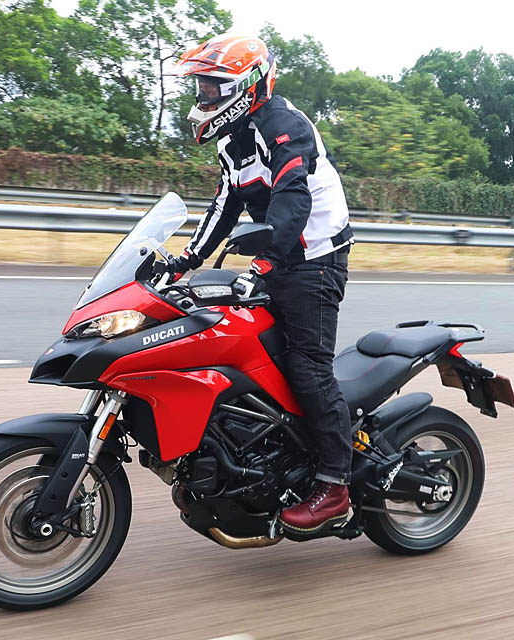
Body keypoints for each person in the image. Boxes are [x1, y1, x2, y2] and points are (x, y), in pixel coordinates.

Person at [170, 33, 354, 534]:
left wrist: (265, 267)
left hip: (315, 260)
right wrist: (182, 260)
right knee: (244, 349)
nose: (203, 98)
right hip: (279, 255)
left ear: (246, 86)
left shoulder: (284, 127)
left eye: (212, 88)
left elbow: (292, 203)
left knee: (307, 366)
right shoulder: (234, 139)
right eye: (202, 88)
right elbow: (227, 204)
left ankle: (334, 483)